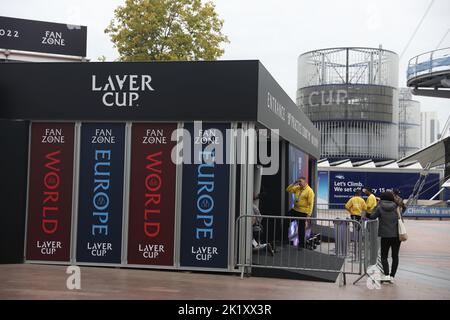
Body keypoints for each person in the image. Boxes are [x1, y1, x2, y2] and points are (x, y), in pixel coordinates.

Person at [369, 191, 401, 284]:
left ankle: (386, 275)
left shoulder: (379, 207)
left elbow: (372, 217)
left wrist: (375, 206)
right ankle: (392, 276)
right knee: (395, 256)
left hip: (385, 235)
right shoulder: (396, 207)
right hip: (397, 235)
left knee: (384, 256)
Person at [286, 177, 315, 249]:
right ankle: (284, 239)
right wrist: (294, 183)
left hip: (303, 212)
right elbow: (288, 189)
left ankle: (301, 245)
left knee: (301, 228)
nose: (299, 183)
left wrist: (309, 215)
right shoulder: (297, 188)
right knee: (285, 220)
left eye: (301, 182)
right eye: (298, 181)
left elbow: (311, 204)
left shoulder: (309, 191)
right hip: (295, 210)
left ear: (305, 182)